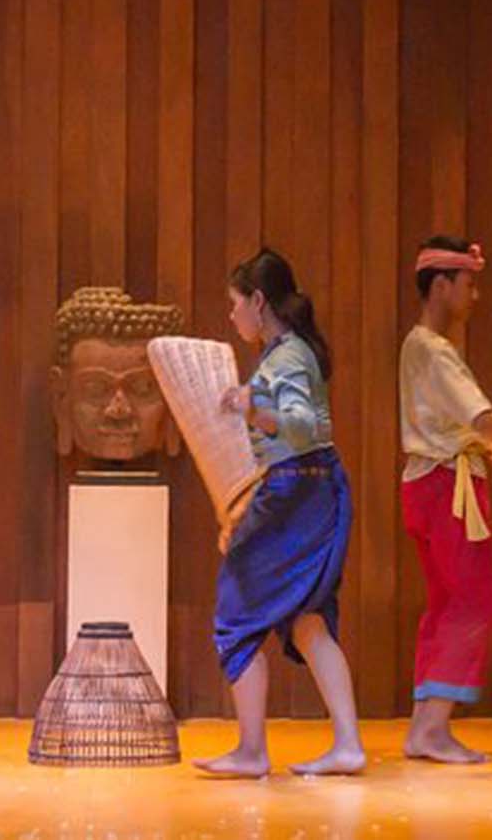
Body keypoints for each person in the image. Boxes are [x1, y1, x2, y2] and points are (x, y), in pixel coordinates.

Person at [194, 248, 365, 779]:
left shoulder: (286, 358)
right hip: (310, 490)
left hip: (297, 492)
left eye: (235, 303)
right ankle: (347, 745)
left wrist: (252, 408)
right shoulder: (285, 354)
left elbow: (300, 426)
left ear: (259, 301)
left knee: (236, 613)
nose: (232, 314)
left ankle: (251, 751)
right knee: (306, 619)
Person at [399, 236, 492, 763]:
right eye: (469, 282)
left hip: (426, 483)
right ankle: (432, 728)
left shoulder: (417, 344)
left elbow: (460, 427)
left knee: (446, 601)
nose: (475, 295)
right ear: (442, 284)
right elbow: (482, 419)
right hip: (447, 489)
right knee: (473, 600)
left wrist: (491, 446)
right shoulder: (435, 351)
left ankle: (422, 727)